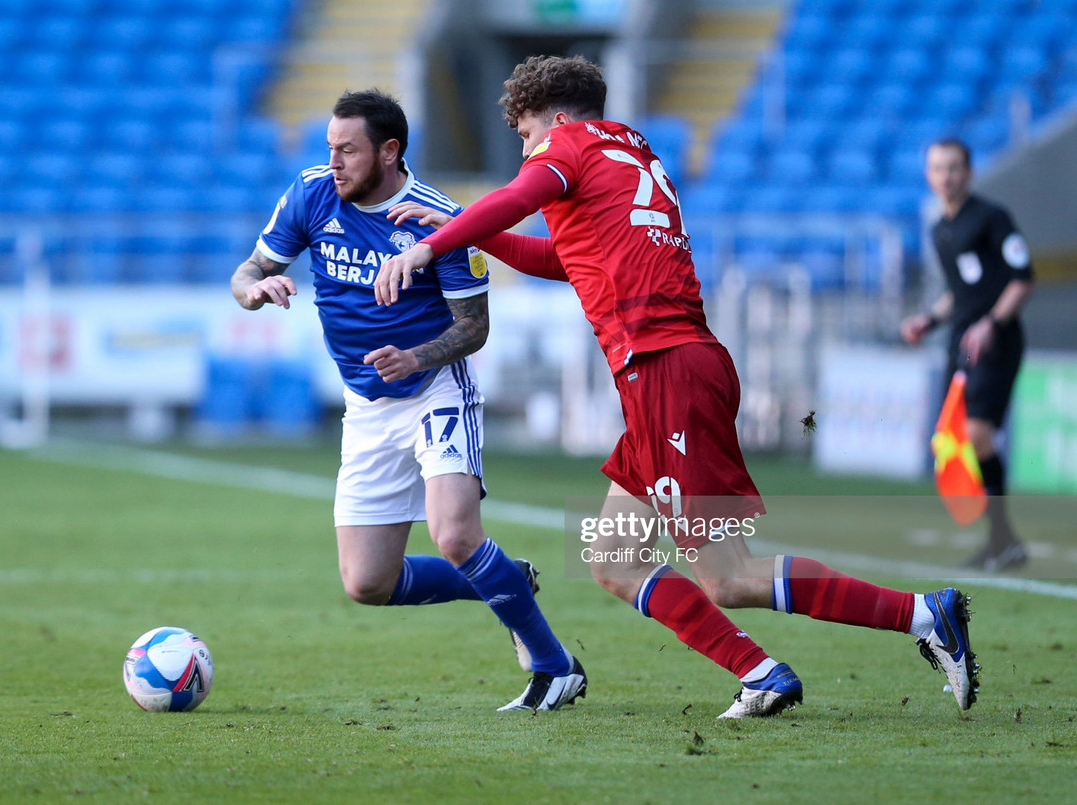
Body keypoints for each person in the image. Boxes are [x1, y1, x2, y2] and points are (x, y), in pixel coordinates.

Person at [376, 55, 978, 716]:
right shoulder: (629, 151)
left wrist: (428, 248)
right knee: (613, 555)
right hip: (675, 369)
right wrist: (464, 236)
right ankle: (761, 671)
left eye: (524, 135)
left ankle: (923, 614)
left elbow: (519, 199)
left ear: (556, 116)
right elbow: (566, 259)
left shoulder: (567, 146)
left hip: (665, 370)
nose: (526, 149)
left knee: (730, 576)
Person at [231, 88, 586, 712]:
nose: (334, 162)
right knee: (368, 583)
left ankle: (555, 668)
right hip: (365, 406)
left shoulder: (438, 218)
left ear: (389, 151)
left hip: (434, 392)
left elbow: (474, 327)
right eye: (330, 148)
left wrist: (416, 358)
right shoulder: (311, 192)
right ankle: (504, 580)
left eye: (348, 150)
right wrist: (258, 288)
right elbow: (246, 272)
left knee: (455, 535)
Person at [901, 137, 1034, 572]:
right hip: (962, 345)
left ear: (970, 172)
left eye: (955, 167)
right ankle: (1001, 540)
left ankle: (1003, 539)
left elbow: (1022, 279)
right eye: (939, 168)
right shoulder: (941, 228)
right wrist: (928, 320)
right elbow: (958, 295)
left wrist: (991, 324)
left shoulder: (992, 218)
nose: (947, 176)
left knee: (978, 434)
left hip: (997, 343)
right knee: (957, 439)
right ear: (929, 175)